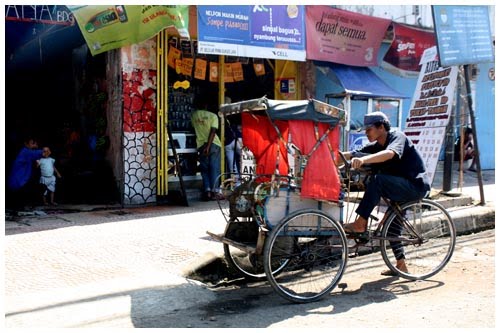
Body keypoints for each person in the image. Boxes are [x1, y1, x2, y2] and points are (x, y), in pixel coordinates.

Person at [340, 112, 431, 275]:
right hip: (400, 186)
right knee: (392, 229)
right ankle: (401, 265)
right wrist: (331, 157)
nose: (366, 133)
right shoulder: (376, 145)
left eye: (369, 129)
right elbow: (351, 154)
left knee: (378, 180)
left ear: (381, 127)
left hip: (415, 186)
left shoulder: (397, 137)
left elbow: (389, 154)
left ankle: (361, 223)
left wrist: (364, 160)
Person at [191, 98, 223, 201]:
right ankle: (215, 192)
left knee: (204, 170)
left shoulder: (194, 116)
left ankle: (207, 191)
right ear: (206, 106)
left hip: (200, 144)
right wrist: (208, 147)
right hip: (213, 145)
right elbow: (213, 132)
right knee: (214, 168)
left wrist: (204, 147)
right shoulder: (213, 116)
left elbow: (193, 127)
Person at [7, 137, 44, 211]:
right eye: (31, 143)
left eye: (33, 143)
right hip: (18, 179)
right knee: (23, 191)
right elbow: (42, 152)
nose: (33, 145)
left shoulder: (26, 152)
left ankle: (21, 206)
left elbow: (36, 158)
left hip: (20, 179)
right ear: (26, 144)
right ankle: (20, 206)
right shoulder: (26, 151)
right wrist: (41, 149)